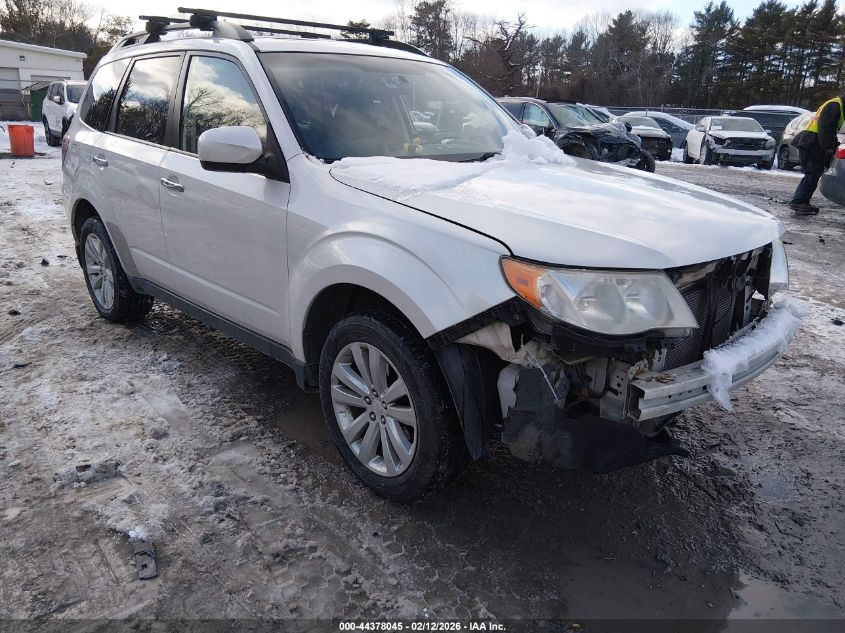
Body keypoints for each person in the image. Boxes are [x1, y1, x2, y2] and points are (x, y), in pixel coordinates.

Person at [789, 94, 845, 214]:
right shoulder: (835, 105)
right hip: (811, 142)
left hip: (812, 141)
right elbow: (826, 130)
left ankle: (801, 201)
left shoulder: (836, 105)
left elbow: (829, 130)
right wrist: (830, 148)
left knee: (814, 172)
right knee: (812, 172)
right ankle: (799, 201)